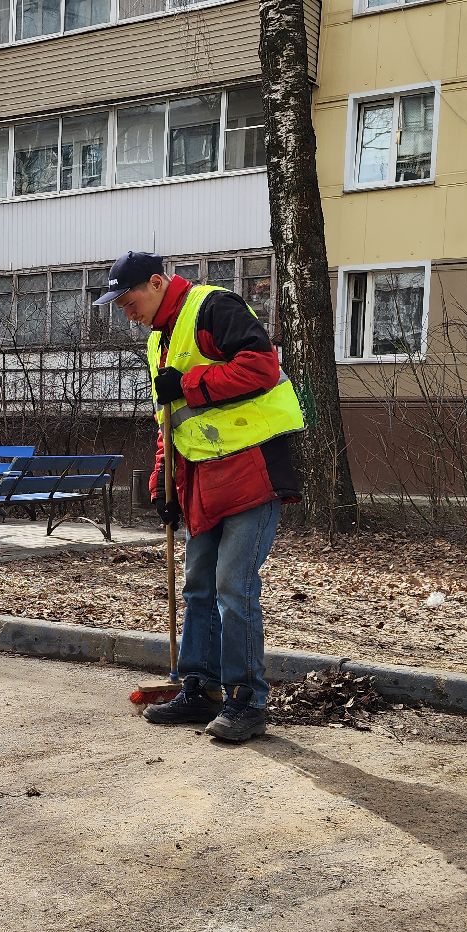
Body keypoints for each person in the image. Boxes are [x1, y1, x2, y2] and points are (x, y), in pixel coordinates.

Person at [94, 251, 304, 743]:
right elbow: (169, 421)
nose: (127, 312)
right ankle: (200, 688)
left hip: (252, 471)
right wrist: (162, 483)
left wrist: (188, 384)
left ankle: (247, 701)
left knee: (233, 587)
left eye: (129, 301)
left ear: (156, 282)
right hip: (201, 479)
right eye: (119, 306)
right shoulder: (158, 341)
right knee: (198, 587)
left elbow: (261, 368)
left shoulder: (214, 307)